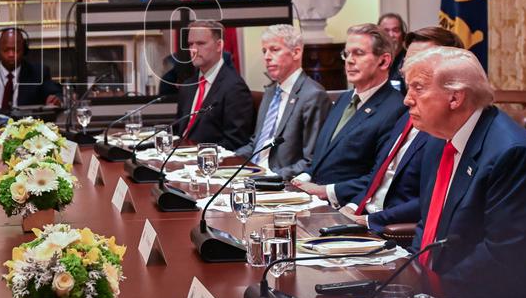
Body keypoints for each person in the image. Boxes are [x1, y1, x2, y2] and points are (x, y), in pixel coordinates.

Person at [403, 47, 526, 297]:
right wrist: (411, 274)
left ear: (455, 98)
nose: (407, 99)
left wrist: (432, 289)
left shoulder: (512, 154)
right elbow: (428, 224)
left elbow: (502, 254)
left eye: (418, 88)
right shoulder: (438, 138)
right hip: (428, 287)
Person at [338, 27, 464, 232]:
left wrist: (370, 220)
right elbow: (378, 175)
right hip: (363, 216)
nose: (409, 69)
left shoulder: (446, 127)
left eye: (420, 60)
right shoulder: (406, 113)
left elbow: (431, 199)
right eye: (408, 60)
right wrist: (352, 207)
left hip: (390, 229)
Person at [292, 24, 406, 200]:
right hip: (313, 199)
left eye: (359, 53)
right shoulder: (344, 99)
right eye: (346, 54)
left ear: (384, 61)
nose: (349, 61)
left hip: (349, 205)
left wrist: (325, 191)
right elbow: (323, 157)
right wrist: (302, 179)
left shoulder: (396, 108)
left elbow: (380, 177)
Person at [234, 24, 331, 178]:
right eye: (264, 51)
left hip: (279, 179)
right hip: (252, 172)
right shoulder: (271, 91)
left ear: (296, 52)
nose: (267, 57)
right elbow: (256, 144)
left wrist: (270, 179)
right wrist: (226, 158)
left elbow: (311, 160)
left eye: (274, 49)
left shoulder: (313, 95)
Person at [173, 20, 255, 149]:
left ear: (219, 46)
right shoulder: (188, 85)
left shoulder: (234, 87)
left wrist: (195, 152)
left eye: (200, 43)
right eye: (190, 44)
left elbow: (235, 142)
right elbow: (178, 130)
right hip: (177, 154)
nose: (193, 50)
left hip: (206, 158)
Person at [0, 28, 63, 114]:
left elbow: (56, 94)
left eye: (16, 50)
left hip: (23, 128)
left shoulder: (38, 73)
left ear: (24, 50)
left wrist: (55, 99)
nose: (11, 54)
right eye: (6, 50)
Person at [379, 12, 408, 86]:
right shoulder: (372, 63)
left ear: (403, 35)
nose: (391, 35)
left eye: (395, 30)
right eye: (386, 31)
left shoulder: (410, 62)